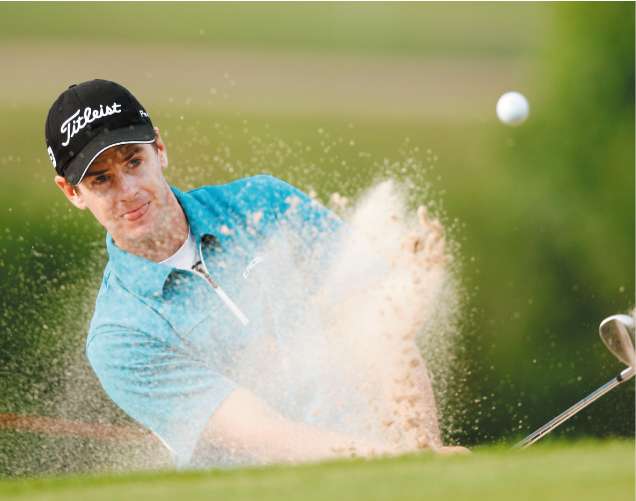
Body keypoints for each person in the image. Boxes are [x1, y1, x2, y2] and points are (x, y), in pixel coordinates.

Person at [45, 79, 466, 468]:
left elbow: (380, 325)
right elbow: (265, 435)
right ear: (71, 192)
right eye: (101, 180)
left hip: (389, 457)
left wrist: (419, 451)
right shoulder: (120, 336)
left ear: (160, 150)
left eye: (134, 162)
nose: (128, 190)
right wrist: (396, 464)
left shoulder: (262, 203)